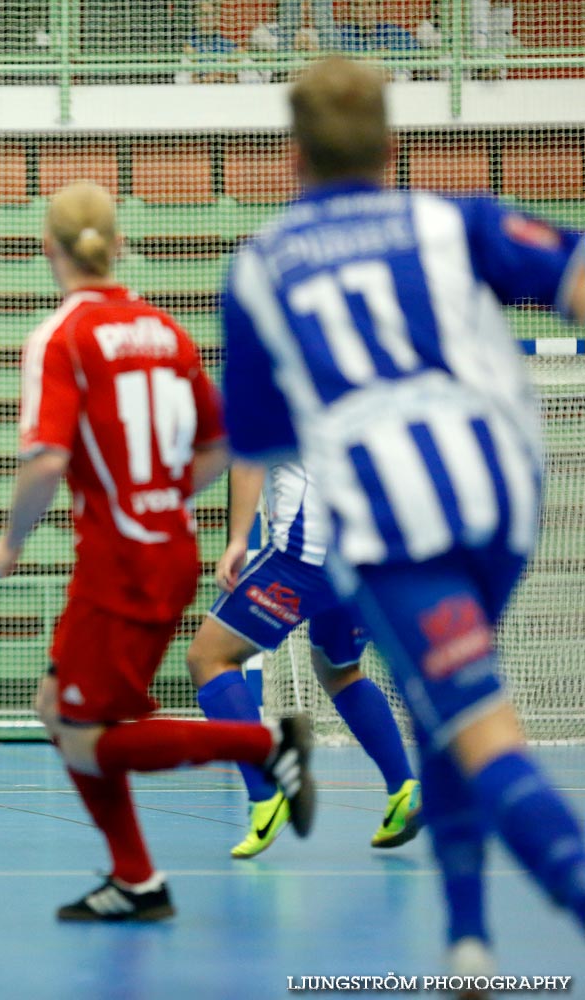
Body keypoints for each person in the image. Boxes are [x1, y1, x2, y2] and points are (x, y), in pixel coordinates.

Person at [220, 56, 585, 975]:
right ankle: (468, 942)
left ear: (291, 159)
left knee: (478, 725)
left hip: (392, 518)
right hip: (505, 493)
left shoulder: (261, 266)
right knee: (440, 702)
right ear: (393, 146)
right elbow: (575, 273)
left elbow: (258, 441)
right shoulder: (450, 217)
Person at [0, 180, 316, 923]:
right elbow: (226, 440)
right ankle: (135, 880)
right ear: (118, 244)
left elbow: (43, 461)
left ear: (48, 250)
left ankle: (259, 744)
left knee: (84, 737)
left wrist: (9, 543)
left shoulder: (61, 335)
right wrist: (163, 492)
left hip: (119, 562)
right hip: (167, 547)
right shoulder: (166, 331)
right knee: (54, 708)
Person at [187, 458, 421, 858]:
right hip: (368, 552)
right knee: (338, 668)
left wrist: (238, 540)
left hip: (305, 555)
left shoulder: (269, 391)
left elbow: (248, 458)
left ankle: (266, 795)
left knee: (207, 658)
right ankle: (404, 789)